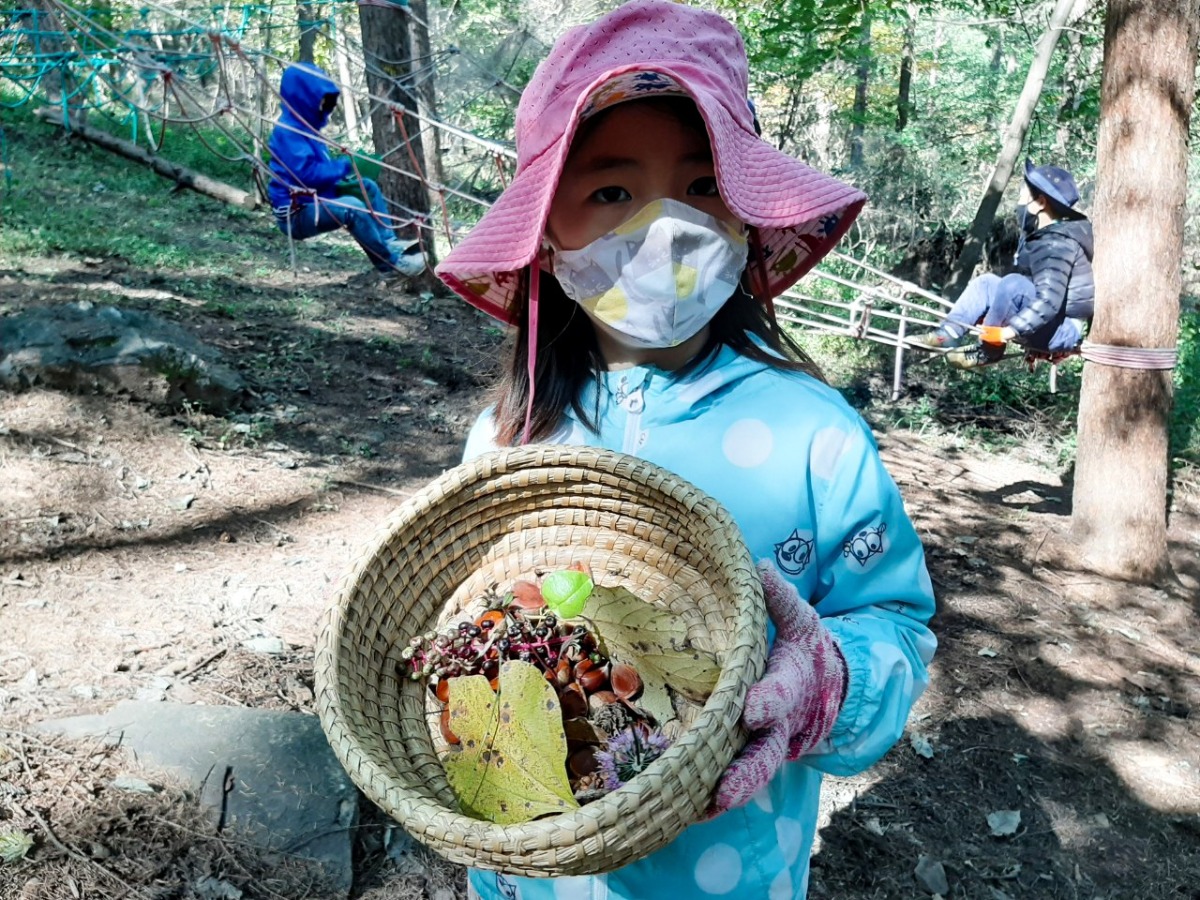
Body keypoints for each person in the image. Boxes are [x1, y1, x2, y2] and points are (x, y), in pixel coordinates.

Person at [435, 3, 937, 898]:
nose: (665, 233)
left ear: (746, 217)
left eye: (702, 187)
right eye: (613, 192)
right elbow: (478, 616)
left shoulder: (814, 435)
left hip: (727, 873)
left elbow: (895, 621)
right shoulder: (509, 438)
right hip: (533, 873)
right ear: (547, 240)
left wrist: (828, 680)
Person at [910, 159, 1094, 369]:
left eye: (1026, 193)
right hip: (1050, 323)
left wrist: (1006, 333)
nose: (1020, 198)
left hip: (1062, 330)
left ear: (1041, 203)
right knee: (987, 283)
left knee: (1013, 284)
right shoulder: (1043, 233)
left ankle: (989, 350)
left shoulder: (1057, 245)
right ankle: (948, 334)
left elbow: (1049, 302)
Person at [267, 62, 424, 277]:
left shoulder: (308, 129)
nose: (324, 106)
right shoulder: (288, 132)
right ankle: (392, 264)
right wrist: (346, 166)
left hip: (317, 199)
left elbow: (318, 170)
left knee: (366, 187)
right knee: (353, 207)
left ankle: (390, 243)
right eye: (319, 100)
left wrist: (352, 171)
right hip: (297, 213)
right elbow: (305, 175)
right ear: (303, 98)